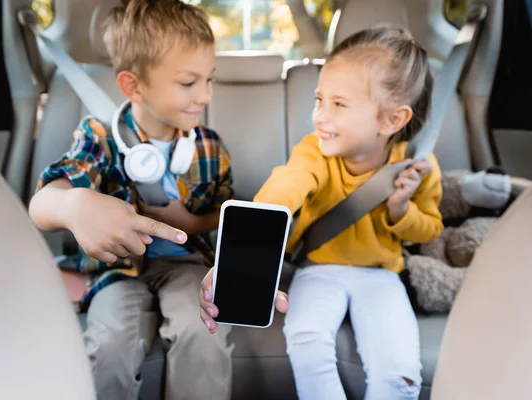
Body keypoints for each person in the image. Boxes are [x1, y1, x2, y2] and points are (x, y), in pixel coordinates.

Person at [200, 26, 443, 400]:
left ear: (391, 120)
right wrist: (240, 254)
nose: (319, 116)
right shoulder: (314, 152)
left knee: (398, 371)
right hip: (318, 268)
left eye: (338, 104)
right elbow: (284, 188)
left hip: (380, 275)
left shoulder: (416, 166)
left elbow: (429, 230)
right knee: (306, 339)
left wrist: (400, 208)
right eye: (318, 100)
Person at [29, 1, 234, 399]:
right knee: (109, 342)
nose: (205, 95)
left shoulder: (209, 146)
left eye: (210, 80)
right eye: (189, 83)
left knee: (204, 330)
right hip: (117, 269)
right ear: (133, 86)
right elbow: (43, 203)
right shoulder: (99, 136)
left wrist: (193, 223)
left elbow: (224, 212)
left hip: (186, 263)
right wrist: (74, 205)